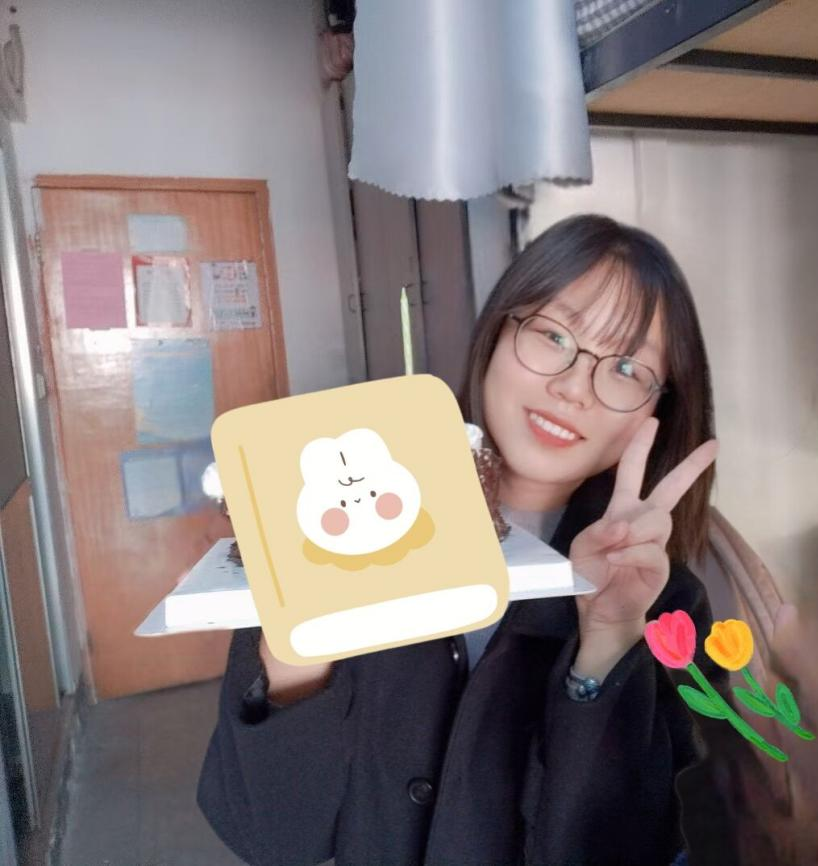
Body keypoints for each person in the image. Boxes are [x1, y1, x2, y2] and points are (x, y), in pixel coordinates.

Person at [197, 214, 730, 866]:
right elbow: (271, 837)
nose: (572, 387)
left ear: (658, 409)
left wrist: (606, 646)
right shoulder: (342, 522)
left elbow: (630, 846)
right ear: (498, 330)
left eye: (625, 367)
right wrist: (297, 652)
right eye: (553, 335)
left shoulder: (666, 609)